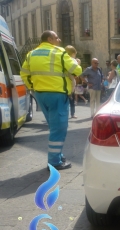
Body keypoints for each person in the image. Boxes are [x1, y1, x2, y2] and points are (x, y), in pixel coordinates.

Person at [20, 30, 82, 170]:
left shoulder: (31, 54)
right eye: (57, 37)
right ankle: (54, 161)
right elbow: (76, 70)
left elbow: (24, 74)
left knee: (54, 127)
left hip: (40, 94)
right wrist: (76, 63)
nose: (59, 40)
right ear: (49, 39)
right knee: (59, 128)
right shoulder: (59, 52)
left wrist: (32, 87)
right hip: (57, 94)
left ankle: (58, 155)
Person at [65, 45, 78, 119]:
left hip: (64, 83)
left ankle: (66, 114)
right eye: (75, 53)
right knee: (71, 100)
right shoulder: (72, 60)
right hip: (70, 83)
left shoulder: (63, 59)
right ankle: (72, 114)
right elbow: (76, 72)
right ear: (72, 53)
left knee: (65, 101)